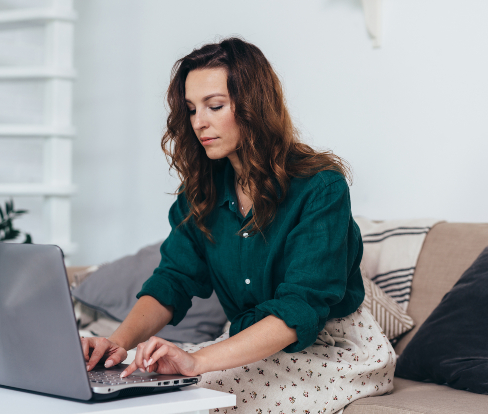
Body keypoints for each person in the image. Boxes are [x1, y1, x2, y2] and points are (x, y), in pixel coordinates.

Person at [81, 37, 395, 413]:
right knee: (136, 384)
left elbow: (300, 307)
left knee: (200, 397)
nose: (199, 122)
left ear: (253, 106)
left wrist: (198, 361)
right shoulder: (200, 193)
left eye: (215, 106)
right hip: (249, 345)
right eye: (192, 108)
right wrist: (117, 343)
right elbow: (173, 280)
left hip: (332, 350)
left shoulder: (320, 187)